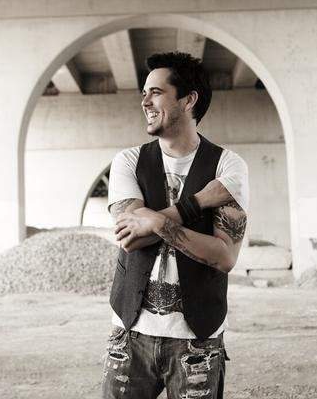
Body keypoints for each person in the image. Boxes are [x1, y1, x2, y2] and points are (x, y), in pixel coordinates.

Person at [102, 51, 249, 399]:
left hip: (198, 340)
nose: (144, 102)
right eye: (144, 93)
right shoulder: (128, 161)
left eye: (155, 92)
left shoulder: (228, 166)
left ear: (188, 100)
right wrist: (196, 203)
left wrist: (153, 219)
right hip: (130, 334)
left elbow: (224, 256)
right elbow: (130, 238)